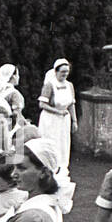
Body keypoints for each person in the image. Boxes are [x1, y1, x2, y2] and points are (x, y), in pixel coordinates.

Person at [37, 58, 77, 186]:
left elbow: (71, 104)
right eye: (62, 72)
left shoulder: (70, 85)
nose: (65, 74)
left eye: (67, 72)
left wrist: (74, 120)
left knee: (63, 143)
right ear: (56, 71)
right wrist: (57, 111)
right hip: (50, 119)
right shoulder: (50, 85)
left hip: (64, 120)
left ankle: (62, 170)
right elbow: (42, 104)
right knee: (52, 142)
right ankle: (49, 168)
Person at [0, 64, 27, 129]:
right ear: (14, 76)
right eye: (18, 75)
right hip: (10, 126)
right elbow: (17, 115)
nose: (18, 77)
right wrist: (27, 125)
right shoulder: (14, 93)